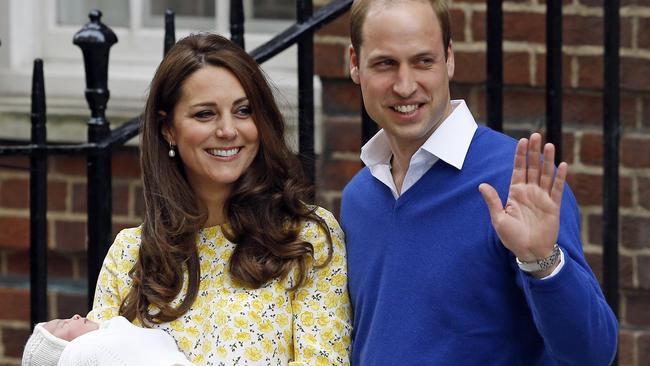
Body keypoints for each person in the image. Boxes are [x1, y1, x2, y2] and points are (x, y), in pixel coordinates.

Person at [340, 0, 618, 365]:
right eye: (385, 64)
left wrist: (543, 263)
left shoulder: (516, 183)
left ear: (449, 59)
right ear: (355, 65)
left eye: (424, 61)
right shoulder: (358, 197)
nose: (405, 86)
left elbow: (592, 354)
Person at [86, 33, 352, 365]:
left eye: (243, 111)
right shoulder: (129, 255)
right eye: (204, 114)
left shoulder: (305, 238)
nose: (227, 130)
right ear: (167, 128)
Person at [22, 314, 193, 366]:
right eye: (63, 324)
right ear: (60, 349)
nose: (74, 316)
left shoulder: (114, 332)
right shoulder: (80, 351)